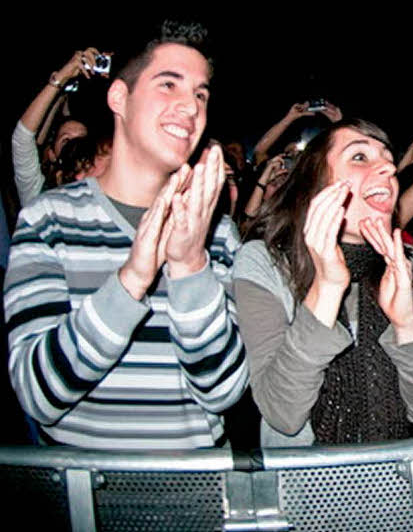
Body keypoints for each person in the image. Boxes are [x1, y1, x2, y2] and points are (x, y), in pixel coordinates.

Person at [3, 22, 248, 448]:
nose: (190, 107)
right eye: (168, 85)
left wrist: (190, 265)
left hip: (199, 490)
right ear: (120, 97)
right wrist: (132, 279)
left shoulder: (219, 236)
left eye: (200, 94)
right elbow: (38, 395)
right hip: (85, 500)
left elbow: (223, 391)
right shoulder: (49, 220)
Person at [233, 119, 413, 445]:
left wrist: (406, 325)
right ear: (316, 184)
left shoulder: (409, 265)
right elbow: (283, 414)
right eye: (360, 157)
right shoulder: (264, 262)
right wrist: (327, 289)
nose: (388, 169)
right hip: (307, 486)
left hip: (394, 479)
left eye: (389, 160)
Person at [11, 49, 102, 205]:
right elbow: (23, 138)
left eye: (80, 140)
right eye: (66, 140)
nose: (74, 146)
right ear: (52, 154)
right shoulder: (39, 195)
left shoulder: (104, 187)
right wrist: (61, 77)